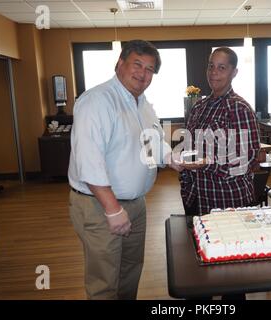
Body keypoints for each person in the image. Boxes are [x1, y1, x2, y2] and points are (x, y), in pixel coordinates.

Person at [68, 40, 178, 300]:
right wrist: (113, 209)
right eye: (137, 64)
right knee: (104, 280)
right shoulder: (97, 101)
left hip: (136, 204)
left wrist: (171, 157)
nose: (143, 73)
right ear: (120, 64)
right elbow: (89, 161)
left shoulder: (141, 103)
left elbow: (151, 141)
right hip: (100, 206)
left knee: (130, 270)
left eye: (150, 69)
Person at [180, 47, 261, 216]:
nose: (213, 72)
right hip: (194, 196)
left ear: (234, 72)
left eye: (221, 67)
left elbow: (247, 159)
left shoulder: (239, 108)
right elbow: (189, 147)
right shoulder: (199, 107)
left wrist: (206, 162)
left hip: (227, 200)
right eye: (211, 66)